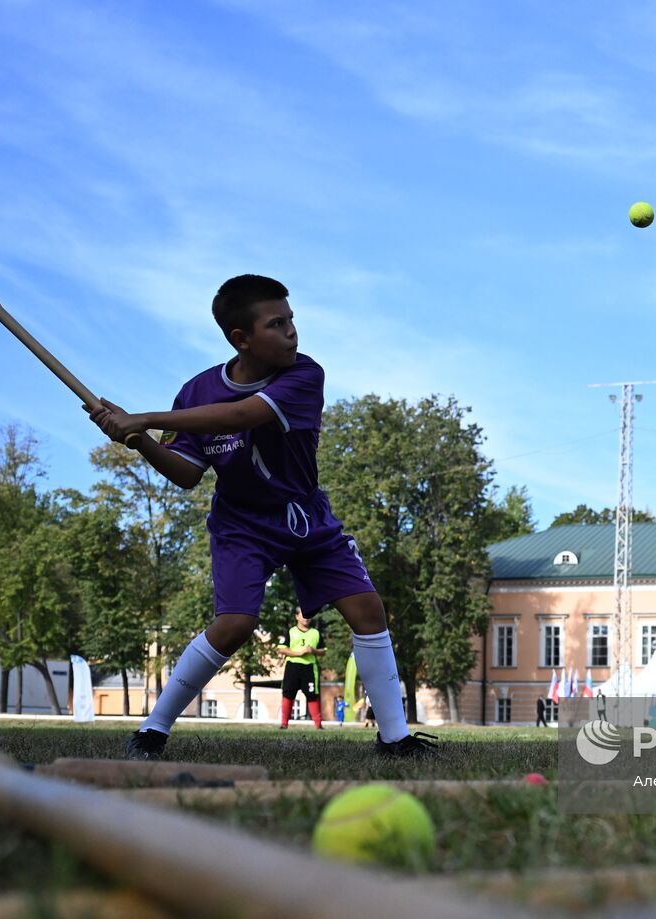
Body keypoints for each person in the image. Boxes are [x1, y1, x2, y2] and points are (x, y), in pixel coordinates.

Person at [87, 274, 436, 759]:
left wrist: (144, 419)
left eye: (292, 320)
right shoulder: (196, 391)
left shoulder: (304, 375)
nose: (292, 332)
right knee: (234, 624)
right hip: (241, 523)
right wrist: (139, 440)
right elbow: (186, 473)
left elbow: (241, 416)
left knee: (368, 610)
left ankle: (395, 740)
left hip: (305, 516)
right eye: (277, 323)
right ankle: (152, 731)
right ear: (241, 338)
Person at [275, 607, 325, 729]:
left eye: (308, 615)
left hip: (309, 667)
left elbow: (323, 651)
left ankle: (318, 725)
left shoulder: (316, 633)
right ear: (297, 616)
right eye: (303, 615)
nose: (306, 618)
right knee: (288, 693)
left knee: (312, 694)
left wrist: (313, 650)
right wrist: (299, 653)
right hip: (293, 666)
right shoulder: (291, 632)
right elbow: (281, 649)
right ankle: (284, 724)